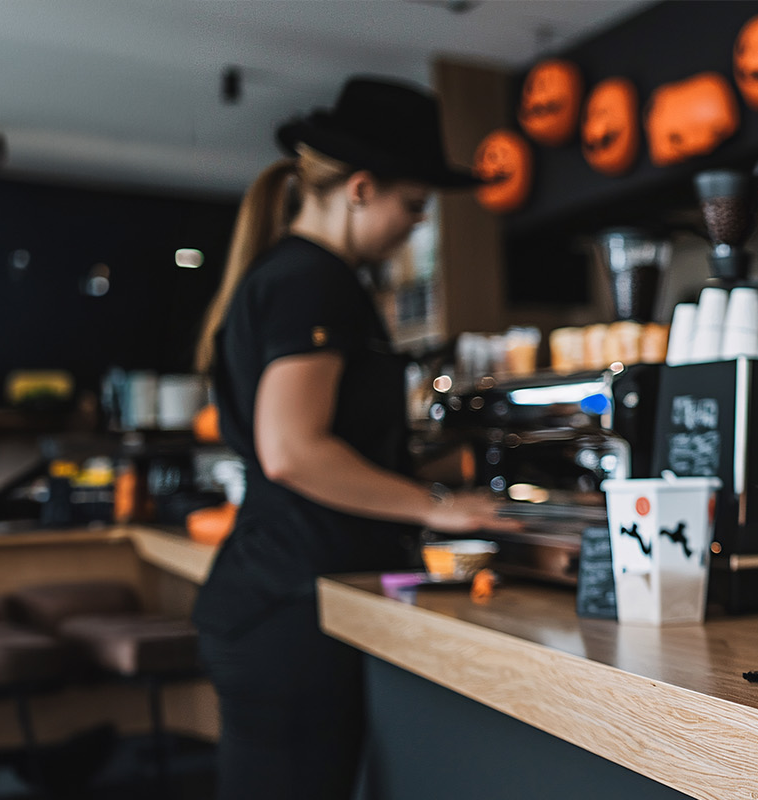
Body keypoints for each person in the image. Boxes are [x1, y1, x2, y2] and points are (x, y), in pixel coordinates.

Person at [191, 76, 516, 800]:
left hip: (281, 599)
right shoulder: (315, 281)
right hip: (289, 610)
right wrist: (436, 504)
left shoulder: (289, 276)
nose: (415, 226)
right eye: (412, 206)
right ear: (361, 188)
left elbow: (327, 443)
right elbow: (294, 450)